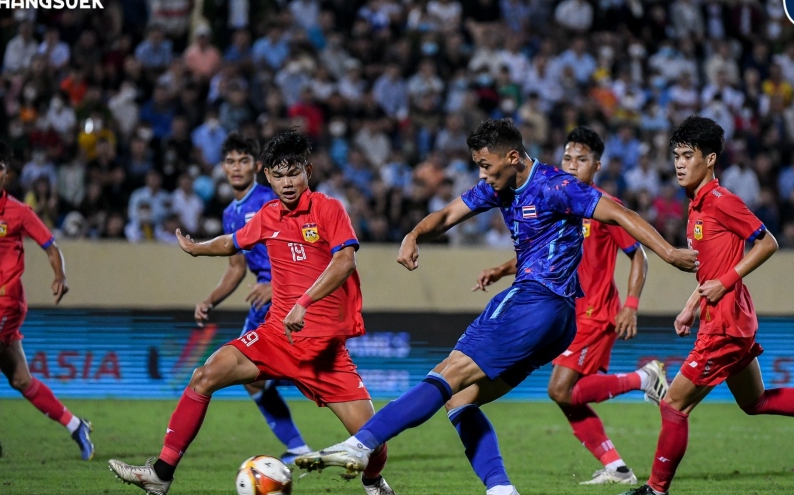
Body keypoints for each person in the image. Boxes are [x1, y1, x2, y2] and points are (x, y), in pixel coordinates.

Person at [295, 119, 698, 495]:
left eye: (487, 166)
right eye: (480, 167)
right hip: (559, 322)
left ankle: (360, 445)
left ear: (513, 157)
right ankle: (500, 488)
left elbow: (621, 214)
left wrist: (668, 252)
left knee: (448, 373)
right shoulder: (499, 186)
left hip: (535, 301)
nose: (483, 175)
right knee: (460, 399)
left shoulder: (557, 186)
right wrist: (414, 234)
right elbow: (450, 213)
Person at [107, 130, 395, 495]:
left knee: (374, 442)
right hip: (276, 337)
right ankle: (160, 474)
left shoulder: (328, 209)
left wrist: (303, 302)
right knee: (204, 376)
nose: (287, 182)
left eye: (294, 173)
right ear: (268, 177)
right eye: (279, 174)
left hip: (324, 351)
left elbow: (345, 261)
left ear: (308, 171)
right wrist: (196, 248)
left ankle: (374, 483)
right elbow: (232, 241)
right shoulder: (268, 215)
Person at [618, 117, 794, 495]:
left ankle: (655, 490)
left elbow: (768, 242)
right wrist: (692, 303)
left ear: (711, 159)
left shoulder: (722, 202)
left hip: (726, 322)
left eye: (688, 155)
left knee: (673, 405)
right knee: (756, 401)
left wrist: (725, 282)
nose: (679, 163)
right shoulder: (695, 206)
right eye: (676, 156)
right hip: (729, 317)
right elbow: (711, 270)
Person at [473, 126, 667, 485]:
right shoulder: (557, 199)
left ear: (596, 166)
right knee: (567, 396)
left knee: (559, 390)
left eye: (581, 160)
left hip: (594, 311)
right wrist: (502, 269)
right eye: (567, 158)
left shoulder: (601, 205)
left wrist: (631, 304)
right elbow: (539, 254)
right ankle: (617, 467)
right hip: (568, 310)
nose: (572, 165)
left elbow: (637, 256)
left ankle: (644, 378)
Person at [0, 137, 93, 461]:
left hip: (5, 301)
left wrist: (60, 276)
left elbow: (51, 245)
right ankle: (76, 425)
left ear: (7, 174)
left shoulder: (18, 212)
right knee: (20, 379)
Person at [194, 132, 311, 464]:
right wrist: (211, 299)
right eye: (230, 161)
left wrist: (276, 283)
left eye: (244, 160)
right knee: (255, 380)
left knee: (282, 370)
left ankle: (360, 438)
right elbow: (235, 267)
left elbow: (298, 244)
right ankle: (299, 448)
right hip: (264, 299)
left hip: (286, 293)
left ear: (258, 166)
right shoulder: (231, 213)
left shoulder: (271, 198)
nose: (236, 168)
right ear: (222, 167)